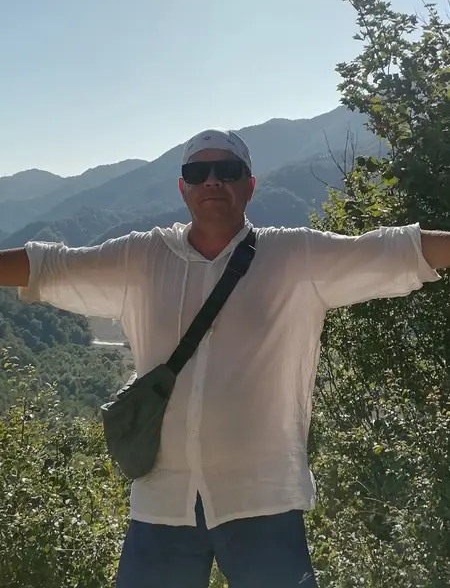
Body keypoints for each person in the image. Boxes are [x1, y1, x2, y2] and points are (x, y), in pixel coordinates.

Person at [0, 127, 448, 588]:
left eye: (227, 170)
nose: (212, 180)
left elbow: (394, 250)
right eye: (198, 172)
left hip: (263, 499)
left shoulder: (293, 256)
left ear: (250, 186)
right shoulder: (143, 257)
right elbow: (50, 266)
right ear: (183, 187)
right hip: (163, 500)